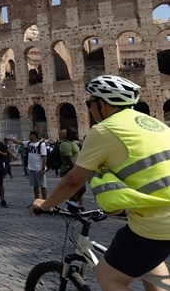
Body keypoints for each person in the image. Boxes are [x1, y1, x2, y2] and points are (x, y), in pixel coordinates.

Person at [32, 75, 170, 290]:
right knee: (149, 261)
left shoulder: (105, 130)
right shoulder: (153, 123)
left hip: (159, 221)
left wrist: (45, 205)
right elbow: (148, 170)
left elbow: (73, 181)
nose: (89, 109)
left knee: (109, 276)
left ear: (102, 104)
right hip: (160, 220)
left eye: (89, 103)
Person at [59, 127, 86, 206]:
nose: (77, 136)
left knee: (81, 189)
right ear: (71, 135)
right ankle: (73, 206)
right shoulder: (65, 144)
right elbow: (69, 160)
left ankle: (74, 205)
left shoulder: (73, 143)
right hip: (69, 170)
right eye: (76, 134)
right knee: (74, 189)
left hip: (76, 168)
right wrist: (76, 171)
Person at [23, 131, 48, 200]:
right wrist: (10, 139)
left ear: (34, 135)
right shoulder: (29, 143)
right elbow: (19, 142)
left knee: (43, 186)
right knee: (35, 186)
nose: (29, 136)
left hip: (39, 169)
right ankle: (36, 200)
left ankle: (44, 201)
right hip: (32, 168)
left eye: (30, 135)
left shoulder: (41, 145)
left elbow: (44, 157)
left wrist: (43, 168)